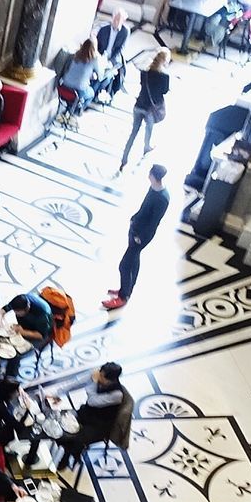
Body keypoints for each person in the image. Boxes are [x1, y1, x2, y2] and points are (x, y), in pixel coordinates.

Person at [104, 164, 169, 309]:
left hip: (141, 235)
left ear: (154, 176)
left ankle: (123, 296)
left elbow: (154, 222)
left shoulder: (162, 198)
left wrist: (141, 236)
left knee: (124, 265)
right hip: (136, 229)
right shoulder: (153, 189)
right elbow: (144, 208)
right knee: (134, 260)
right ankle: (126, 290)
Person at [57, 362, 126, 467]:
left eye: (101, 376)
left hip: (100, 425)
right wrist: (58, 392)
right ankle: (68, 448)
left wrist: (94, 382)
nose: (98, 376)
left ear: (110, 380)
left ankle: (66, 458)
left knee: (76, 438)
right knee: (62, 421)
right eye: (99, 373)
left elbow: (92, 401)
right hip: (87, 413)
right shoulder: (98, 373)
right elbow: (76, 382)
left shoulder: (117, 395)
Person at [119, 48, 170, 171]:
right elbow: (164, 91)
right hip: (151, 110)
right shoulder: (165, 76)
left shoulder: (145, 72)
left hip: (139, 105)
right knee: (148, 131)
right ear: (165, 61)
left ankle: (124, 158)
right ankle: (146, 148)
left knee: (133, 133)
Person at [94, 9, 131, 101]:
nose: (116, 21)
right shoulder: (104, 29)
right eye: (115, 19)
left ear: (123, 21)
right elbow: (97, 45)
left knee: (107, 76)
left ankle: (96, 92)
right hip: (101, 57)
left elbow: (121, 49)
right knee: (97, 73)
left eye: (119, 20)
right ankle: (94, 92)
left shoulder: (125, 32)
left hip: (113, 60)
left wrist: (111, 61)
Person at [62, 39, 102, 112]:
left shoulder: (76, 54)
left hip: (64, 87)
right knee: (91, 93)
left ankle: (70, 108)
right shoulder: (94, 59)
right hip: (78, 90)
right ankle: (76, 111)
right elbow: (100, 73)